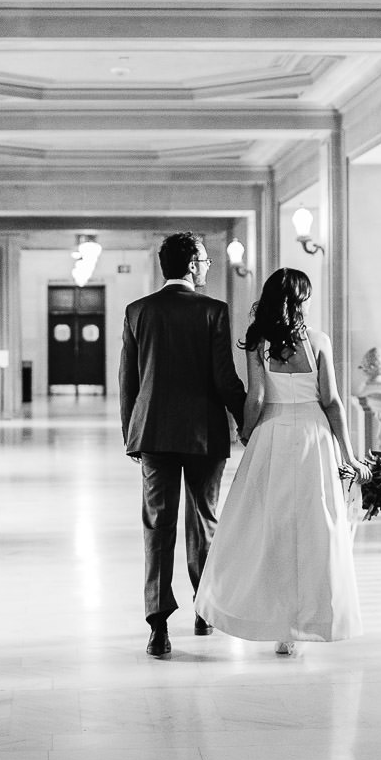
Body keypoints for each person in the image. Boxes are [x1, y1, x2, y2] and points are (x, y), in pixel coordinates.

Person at [200, 269, 365, 655]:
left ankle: (274, 621)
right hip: (314, 437)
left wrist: (246, 432)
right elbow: (332, 402)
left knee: (264, 527)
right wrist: (349, 454)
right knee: (314, 530)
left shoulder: (258, 341)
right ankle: (306, 622)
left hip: (272, 433)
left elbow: (255, 397)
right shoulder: (320, 341)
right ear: (301, 300)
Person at [119, 233, 247, 658]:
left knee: (157, 527)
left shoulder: (138, 311)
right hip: (203, 433)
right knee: (204, 520)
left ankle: (158, 626)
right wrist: (249, 419)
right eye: (206, 260)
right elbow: (224, 378)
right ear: (192, 264)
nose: (209, 267)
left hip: (153, 433)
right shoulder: (213, 311)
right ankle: (204, 610)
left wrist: (131, 433)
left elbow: (129, 382)